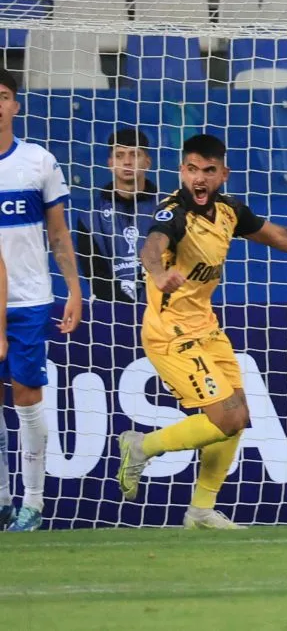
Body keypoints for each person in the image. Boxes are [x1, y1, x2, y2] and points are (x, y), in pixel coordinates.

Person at [115, 134, 287, 529]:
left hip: (206, 327)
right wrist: (160, 272)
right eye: (193, 170)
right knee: (226, 417)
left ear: (223, 174)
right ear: (182, 171)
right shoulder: (173, 213)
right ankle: (141, 446)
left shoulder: (230, 211)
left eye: (209, 171)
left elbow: (281, 237)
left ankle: (200, 510)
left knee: (237, 415)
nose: (200, 179)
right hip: (170, 332)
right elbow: (152, 246)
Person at [0, 68, 82, 532]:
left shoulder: (37, 162)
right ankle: (2, 502)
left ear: (16, 105)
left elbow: (58, 232)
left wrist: (74, 290)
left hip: (29, 300)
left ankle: (33, 503)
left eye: (4, 95)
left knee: (27, 396)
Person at [76, 128, 159, 302]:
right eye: (120, 155)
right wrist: (126, 308)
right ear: (110, 163)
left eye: (134, 155)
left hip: (159, 309)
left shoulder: (166, 210)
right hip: (113, 315)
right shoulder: (90, 217)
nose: (127, 162)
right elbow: (95, 275)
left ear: (148, 162)